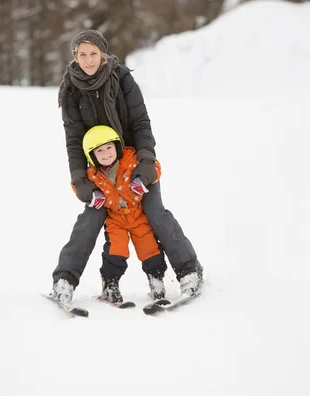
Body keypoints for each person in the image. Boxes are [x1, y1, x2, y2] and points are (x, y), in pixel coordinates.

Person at [51, 29, 203, 306]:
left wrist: (145, 165)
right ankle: (64, 281)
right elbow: (73, 142)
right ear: (75, 57)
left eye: (93, 53)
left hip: (134, 163)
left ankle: (189, 271)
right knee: (90, 220)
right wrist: (80, 180)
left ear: (103, 53)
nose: (88, 60)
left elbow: (140, 123)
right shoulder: (71, 90)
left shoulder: (121, 78)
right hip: (103, 173)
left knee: (155, 212)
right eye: (82, 54)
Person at [79, 124, 166, 304]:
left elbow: (155, 167)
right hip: (115, 219)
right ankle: (110, 285)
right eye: (99, 151)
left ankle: (156, 280)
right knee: (116, 251)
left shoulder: (130, 160)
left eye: (109, 147)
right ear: (92, 156)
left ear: (117, 147)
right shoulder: (93, 174)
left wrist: (143, 179)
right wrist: (92, 194)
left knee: (149, 247)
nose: (106, 153)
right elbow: (78, 185)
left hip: (137, 215)